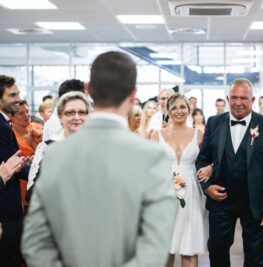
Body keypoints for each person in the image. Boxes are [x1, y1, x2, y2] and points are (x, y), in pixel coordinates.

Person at [22, 51, 177, 267]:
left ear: (88, 91)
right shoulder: (152, 157)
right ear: (133, 94)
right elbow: (156, 244)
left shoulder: (56, 154)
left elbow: (34, 241)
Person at [196, 78, 263, 267]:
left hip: (255, 202)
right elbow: (202, 160)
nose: (238, 102)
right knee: (217, 250)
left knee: (255, 255)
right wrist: (207, 187)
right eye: (234, 97)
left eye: (243, 98)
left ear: (253, 100)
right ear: (228, 99)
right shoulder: (214, 122)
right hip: (220, 200)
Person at [151, 93, 210, 267]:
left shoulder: (198, 135)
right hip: (163, 194)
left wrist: (210, 167)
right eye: (174, 107)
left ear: (189, 109)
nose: (179, 111)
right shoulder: (157, 135)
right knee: (165, 247)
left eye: (182, 107)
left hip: (191, 194)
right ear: (168, 110)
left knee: (189, 245)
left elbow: (211, 160)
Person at [26, 91, 91, 202]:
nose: (76, 117)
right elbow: (31, 195)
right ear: (60, 117)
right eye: (69, 113)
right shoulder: (49, 148)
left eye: (82, 112)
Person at [0, 74, 30, 267]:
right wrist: (37, 170)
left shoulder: (3, 123)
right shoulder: (1, 126)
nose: (17, 98)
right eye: (12, 95)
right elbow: (11, 166)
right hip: (6, 211)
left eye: (18, 93)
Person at [10, 100, 42, 209]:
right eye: (21, 113)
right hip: (23, 186)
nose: (26, 115)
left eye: (27, 111)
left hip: (42, 184)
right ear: (12, 117)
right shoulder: (10, 137)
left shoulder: (38, 129)